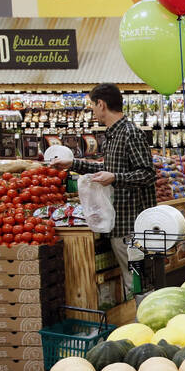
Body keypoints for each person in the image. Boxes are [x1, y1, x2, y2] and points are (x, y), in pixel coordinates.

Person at [61, 83, 156, 297]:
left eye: (93, 105)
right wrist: (73, 164)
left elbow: (148, 174)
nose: (92, 110)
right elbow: (108, 170)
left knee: (138, 284)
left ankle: (146, 326)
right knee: (132, 282)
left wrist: (115, 178)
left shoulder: (129, 133)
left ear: (101, 104)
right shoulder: (113, 135)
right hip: (118, 223)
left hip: (131, 224)